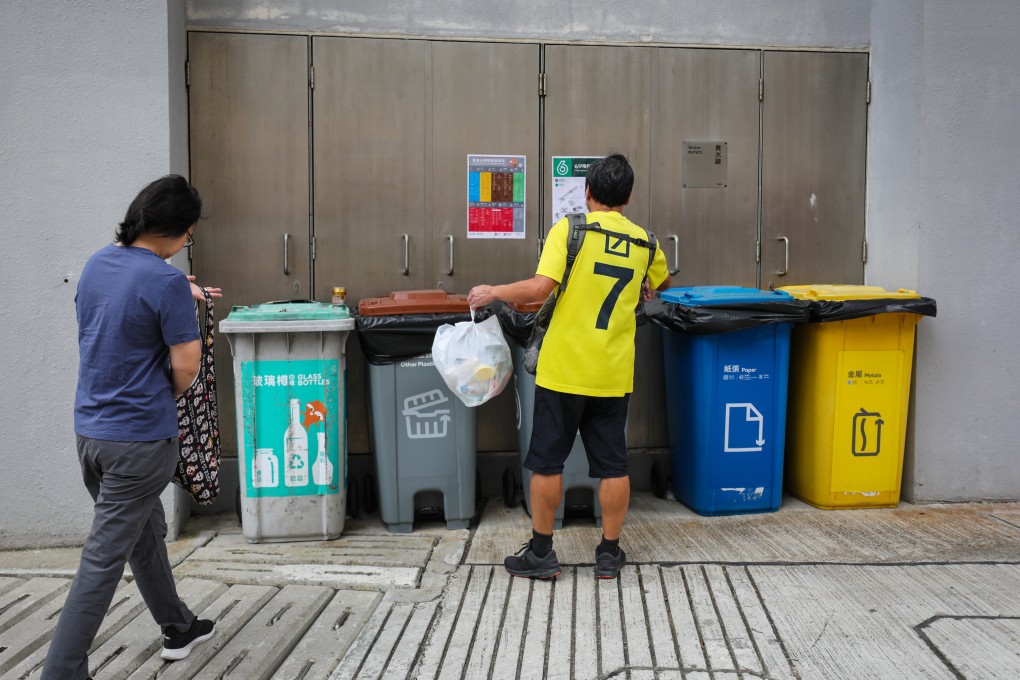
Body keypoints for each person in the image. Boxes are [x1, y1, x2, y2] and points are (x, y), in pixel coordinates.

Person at [43, 175, 223, 680]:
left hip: (92, 434)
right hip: (139, 440)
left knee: (143, 533)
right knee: (103, 560)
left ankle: (178, 626)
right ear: (176, 231)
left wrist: (176, 289)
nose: (187, 243)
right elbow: (186, 367)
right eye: (188, 234)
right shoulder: (166, 283)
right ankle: (62, 670)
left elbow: (119, 315)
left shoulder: (99, 262)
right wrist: (179, 297)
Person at [467, 153, 671, 580]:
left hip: (563, 371)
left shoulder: (571, 229)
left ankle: (542, 553)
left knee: (547, 463)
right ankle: (610, 554)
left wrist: (493, 291)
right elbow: (662, 284)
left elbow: (540, 289)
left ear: (588, 192)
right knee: (614, 465)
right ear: (628, 196)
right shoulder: (646, 242)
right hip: (613, 373)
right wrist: (646, 285)